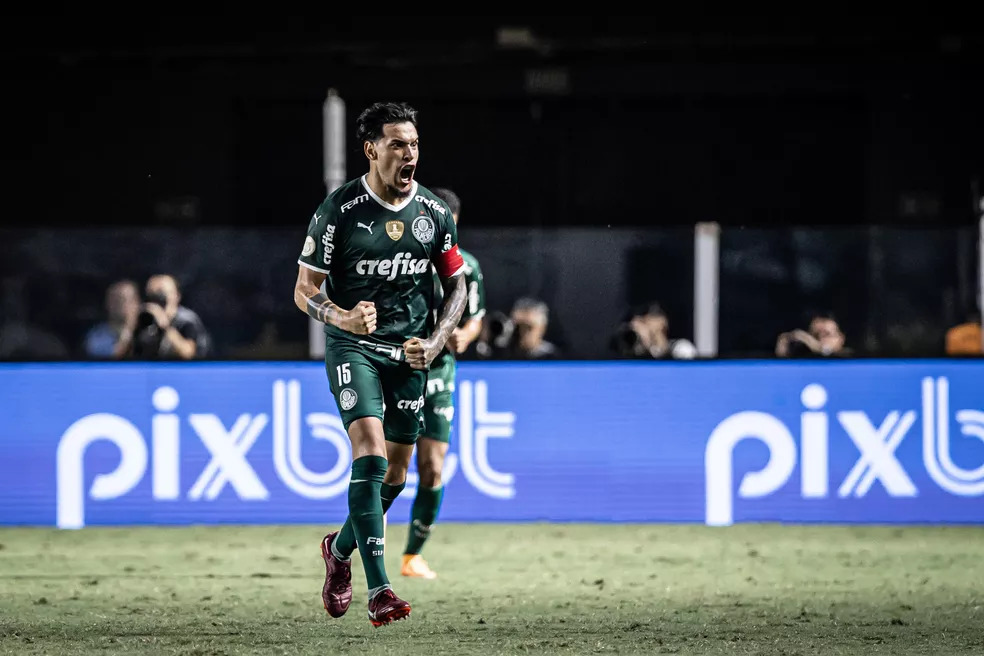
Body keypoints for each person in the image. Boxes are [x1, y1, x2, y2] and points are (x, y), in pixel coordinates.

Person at [293, 102, 466, 627]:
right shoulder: (339, 211)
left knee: (396, 472)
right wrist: (341, 318)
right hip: (354, 348)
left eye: (413, 144)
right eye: (397, 143)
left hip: (409, 353)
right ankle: (381, 589)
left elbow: (459, 285)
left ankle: (338, 550)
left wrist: (436, 341)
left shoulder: (434, 213)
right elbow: (304, 291)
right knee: (368, 453)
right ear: (371, 150)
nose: (408, 153)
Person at [400, 187, 485, 580]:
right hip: (400, 370)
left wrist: (465, 335)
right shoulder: (401, 260)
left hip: (441, 375)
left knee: (432, 467)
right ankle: (360, 547)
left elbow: (475, 317)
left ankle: (412, 556)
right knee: (389, 467)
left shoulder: (466, 266)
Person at [130, 274, 211, 360]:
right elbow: (123, 355)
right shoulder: (145, 318)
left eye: (161, 294)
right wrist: (131, 327)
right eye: (152, 295)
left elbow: (189, 354)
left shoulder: (186, 320)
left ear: (176, 296)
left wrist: (165, 326)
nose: (157, 299)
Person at [610, 302, 697, 360]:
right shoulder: (635, 353)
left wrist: (651, 348)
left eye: (644, 321)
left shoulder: (681, 349)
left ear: (661, 322)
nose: (641, 328)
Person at [84, 280, 140, 359]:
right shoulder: (97, 337)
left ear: (137, 303)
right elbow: (112, 361)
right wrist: (126, 333)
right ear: (107, 304)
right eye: (116, 300)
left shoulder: (149, 331)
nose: (120, 305)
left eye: (125, 299)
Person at [775, 312, 850, 358]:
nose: (820, 339)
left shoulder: (851, 358)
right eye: (815, 336)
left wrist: (820, 349)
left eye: (826, 335)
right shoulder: (802, 359)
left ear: (841, 338)